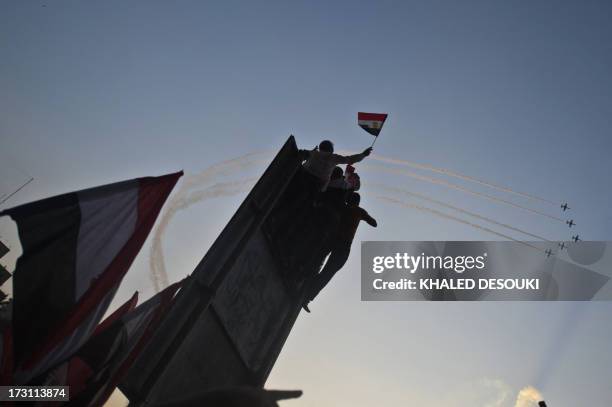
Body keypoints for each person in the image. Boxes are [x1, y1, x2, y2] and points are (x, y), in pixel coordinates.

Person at [303, 192, 377, 312]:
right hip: (342, 244)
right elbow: (374, 223)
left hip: (334, 239)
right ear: (357, 202)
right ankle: (308, 295)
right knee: (328, 272)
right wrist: (365, 215)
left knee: (319, 262)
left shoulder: (346, 207)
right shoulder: (358, 211)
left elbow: (374, 223)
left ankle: (306, 287)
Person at [301, 140, 372, 191]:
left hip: (302, 178)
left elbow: (300, 154)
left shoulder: (312, 153)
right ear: (331, 149)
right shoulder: (333, 157)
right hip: (318, 186)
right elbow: (350, 159)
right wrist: (363, 154)